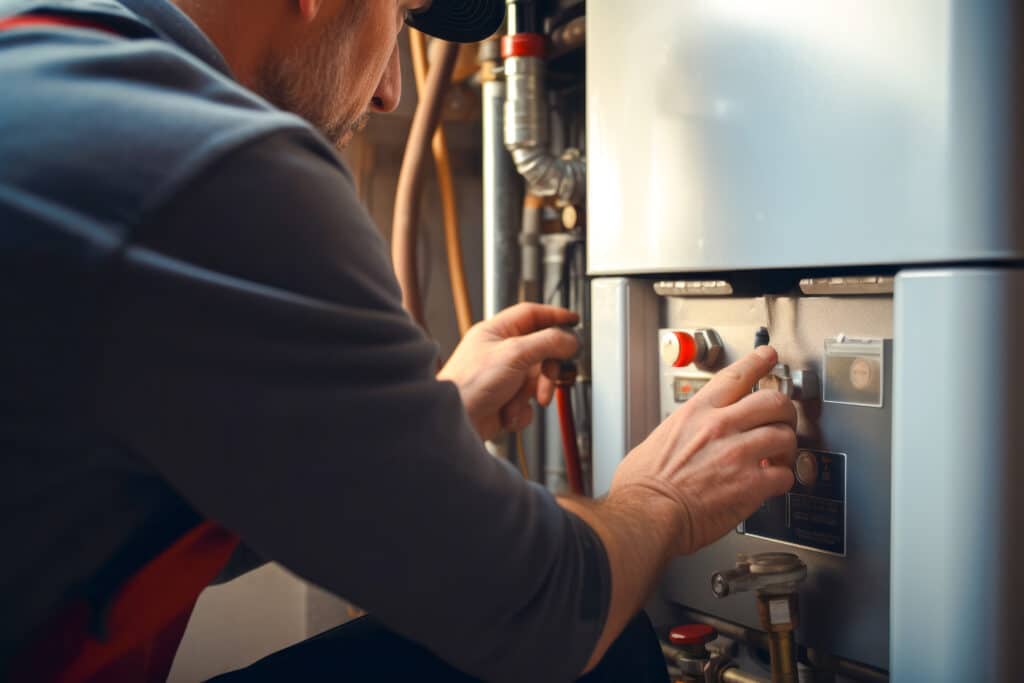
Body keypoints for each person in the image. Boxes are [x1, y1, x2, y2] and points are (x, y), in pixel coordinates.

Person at [0, 0, 799, 680]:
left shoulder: (46, 68)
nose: (389, 91)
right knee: (608, 647)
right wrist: (659, 501)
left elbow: (124, 535)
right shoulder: (202, 160)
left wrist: (430, 420)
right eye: (398, 13)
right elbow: (544, 610)